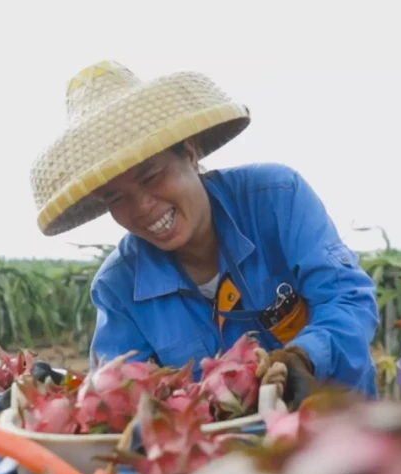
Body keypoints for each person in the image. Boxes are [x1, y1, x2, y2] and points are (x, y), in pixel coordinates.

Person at [26, 60, 380, 409]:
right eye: (117, 198)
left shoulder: (277, 199)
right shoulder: (117, 288)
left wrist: (304, 356)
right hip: (216, 461)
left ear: (190, 152)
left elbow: (348, 299)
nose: (143, 207)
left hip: (339, 432)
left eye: (151, 177)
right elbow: (119, 394)